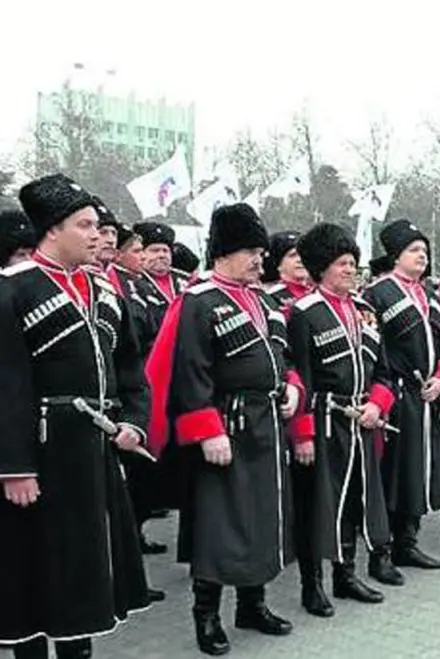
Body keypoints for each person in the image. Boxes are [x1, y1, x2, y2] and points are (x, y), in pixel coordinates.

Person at [0, 174, 152, 659]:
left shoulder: (104, 291)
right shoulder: (13, 290)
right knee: (36, 569)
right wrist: (15, 467)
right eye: (84, 225)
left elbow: (130, 366)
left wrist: (133, 419)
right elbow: (6, 385)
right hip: (41, 453)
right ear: (51, 230)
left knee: (85, 566)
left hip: (95, 452)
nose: (98, 234)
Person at [145, 203, 303, 656]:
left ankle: (252, 604)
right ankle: (206, 615)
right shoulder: (199, 300)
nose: (260, 260)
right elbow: (188, 370)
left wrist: (291, 385)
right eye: (250, 251)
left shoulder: (265, 300)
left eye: (260, 251)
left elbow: (283, 356)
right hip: (226, 425)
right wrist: (206, 429)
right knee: (219, 525)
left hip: (267, 425)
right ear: (223, 252)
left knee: (262, 518)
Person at [287, 223, 397, 616]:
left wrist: (378, 405)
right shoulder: (302, 314)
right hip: (323, 420)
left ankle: (346, 575)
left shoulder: (365, 312)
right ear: (321, 268)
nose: (350, 270)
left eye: (353, 263)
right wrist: (302, 434)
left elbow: (383, 372)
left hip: (360, 422)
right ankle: (311, 584)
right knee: (317, 504)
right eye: (341, 263)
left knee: (354, 501)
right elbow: (297, 376)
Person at [363, 219, 440, 571]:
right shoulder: (378, 294)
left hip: (427, 398)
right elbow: (375, 347)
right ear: (396, 255)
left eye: (425, 251)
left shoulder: (429, 294)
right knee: (394, 473)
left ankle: (408, 541)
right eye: (414, 250)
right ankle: (381, 552)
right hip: (397, 396)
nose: (422, 256)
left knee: (419, 472)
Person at [262, 231, 311, 311]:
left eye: (303, 254)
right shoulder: (272, 297)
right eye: (293, 255)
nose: (300, 260)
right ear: (278, 264)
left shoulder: (317, 291)